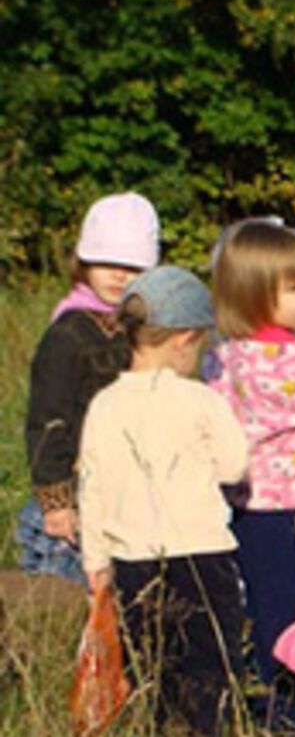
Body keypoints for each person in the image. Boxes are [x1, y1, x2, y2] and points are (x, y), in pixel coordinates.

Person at [78, 266, 248, 737]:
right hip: (202, 558)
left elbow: (91, 492)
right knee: (210, 669)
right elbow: (234, 467)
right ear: (186, 338)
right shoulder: (200, 400)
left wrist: (96, 566)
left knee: (154, 670)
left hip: (132, 563)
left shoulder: (105, 405)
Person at [206, 220, 295, 730]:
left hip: (251, 507)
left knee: (269, 603)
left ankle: (285, 702)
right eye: (294, 287)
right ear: (254, 294)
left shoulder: (222, 361)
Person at [20, 192, 160, 583]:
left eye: (132, 266)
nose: (119, 275)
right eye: (107, 263)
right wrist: (56, 501)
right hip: (74, 503)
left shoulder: (142, 331)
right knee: (66, 600)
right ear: (84, 263)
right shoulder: (68, 333)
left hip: (125, 496)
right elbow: (49, 420)